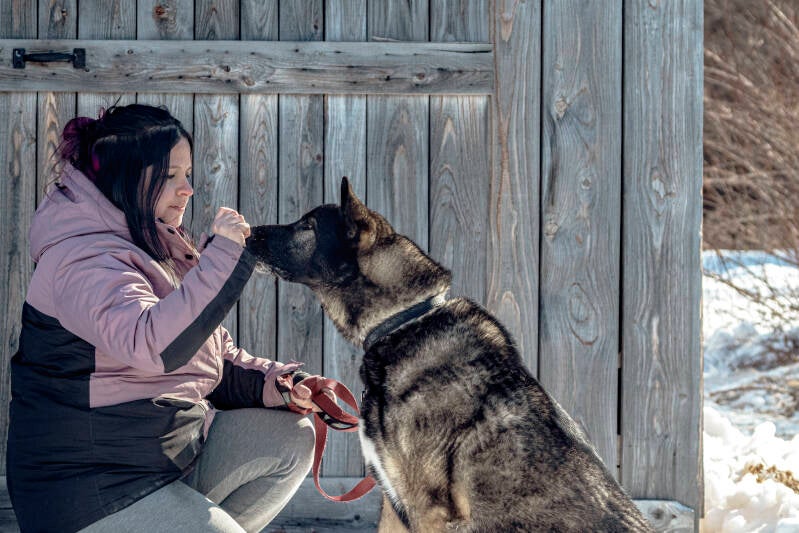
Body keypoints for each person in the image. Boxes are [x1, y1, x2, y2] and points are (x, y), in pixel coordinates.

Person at [6, 104, 331, 533]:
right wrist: (225, 258)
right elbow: (156, 346)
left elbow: (206, 354)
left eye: (188, 174)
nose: (187, 190)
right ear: (126, 178)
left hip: (159, 462)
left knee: (290, 437)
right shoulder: (82, 259)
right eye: (170, 177)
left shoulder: (150, 243)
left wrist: (282, 385)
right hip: (91, 489)